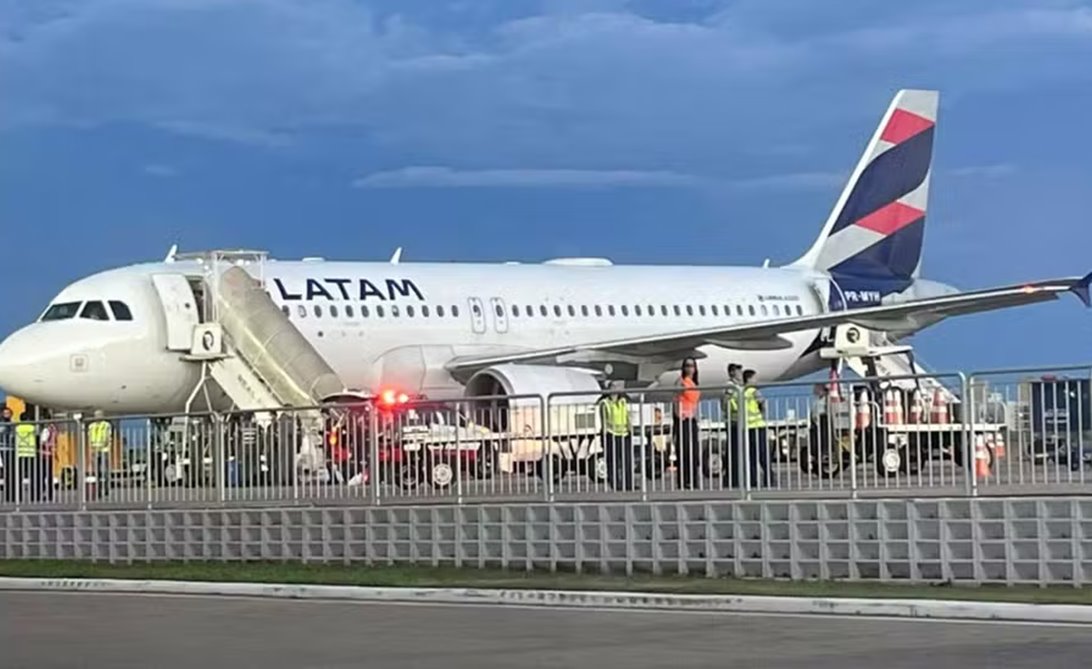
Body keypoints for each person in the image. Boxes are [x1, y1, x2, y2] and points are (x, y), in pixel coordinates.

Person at [599, 380, 635, 491]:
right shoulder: (605, 403)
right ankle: (615, 484)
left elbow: (627, 415)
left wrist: (630, 428)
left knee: (627, 460)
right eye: (613, 387)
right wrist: (604, 435)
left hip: (624, 433)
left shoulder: (623, 401)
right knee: (613, 461)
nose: (615, 389)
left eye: (616, 387)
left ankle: (629, 484)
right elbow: (603, 420)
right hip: (612, 434)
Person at [742, 369, 775, 489]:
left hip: (746, 427)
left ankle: (752, 481)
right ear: (749, 379)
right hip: (757, 426)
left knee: (751, 456)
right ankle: (768, 479)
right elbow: (763, 404)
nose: (756, 381)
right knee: (763, 455)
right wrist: (762, 413)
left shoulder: (741, 392)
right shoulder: (754, 392)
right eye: (754, 378)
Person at [673, 357, 702, 489]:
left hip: (692, 419)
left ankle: (693, 479)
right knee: (684, 451)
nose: (690, 368)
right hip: (683, 419)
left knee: (694, 452)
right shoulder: (681, 381)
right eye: (687, 366)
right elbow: (676, 398)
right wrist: (677, 415)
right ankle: (683, 481)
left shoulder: (694, 383)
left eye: (692, 366)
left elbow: (695, 402)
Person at [722, 363, 743, 488]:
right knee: (734, 451)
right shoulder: (730, 386)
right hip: (733, 421)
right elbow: (725, 402)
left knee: (738, 451)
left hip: (739, 421)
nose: (740, 374)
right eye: (738, 371)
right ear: (732, 373)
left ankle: (737, 477)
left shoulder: (739, 386)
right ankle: (731, 478)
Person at [87, 410, 113, 498]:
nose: (97, 417)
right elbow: (90, 438)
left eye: (99, 415)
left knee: (105, 471)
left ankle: (106, 489)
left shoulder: (106, 425)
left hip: (104, 450)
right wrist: (92, 449)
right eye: (96, 415)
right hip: (95, 450)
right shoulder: (91, 426)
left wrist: (103, 445)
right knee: (96, 471)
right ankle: (98, 490)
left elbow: (107, 437)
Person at [13, 413, 38, 502]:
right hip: (30, 453)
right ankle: (34, 496)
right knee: (33, 476)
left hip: (20, 453)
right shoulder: (32, 428)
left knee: (19, 476)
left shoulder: (17, 428)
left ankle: (18, 496)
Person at [0, 406, 14, 502]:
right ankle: (8, 492)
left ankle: (11, 491)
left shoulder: (12, 424)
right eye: (5, 413)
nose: (6, 415)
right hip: (3, 448)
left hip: (11, 448)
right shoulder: (2, 424)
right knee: (6, 469)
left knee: (11, 470)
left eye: (8, 413)